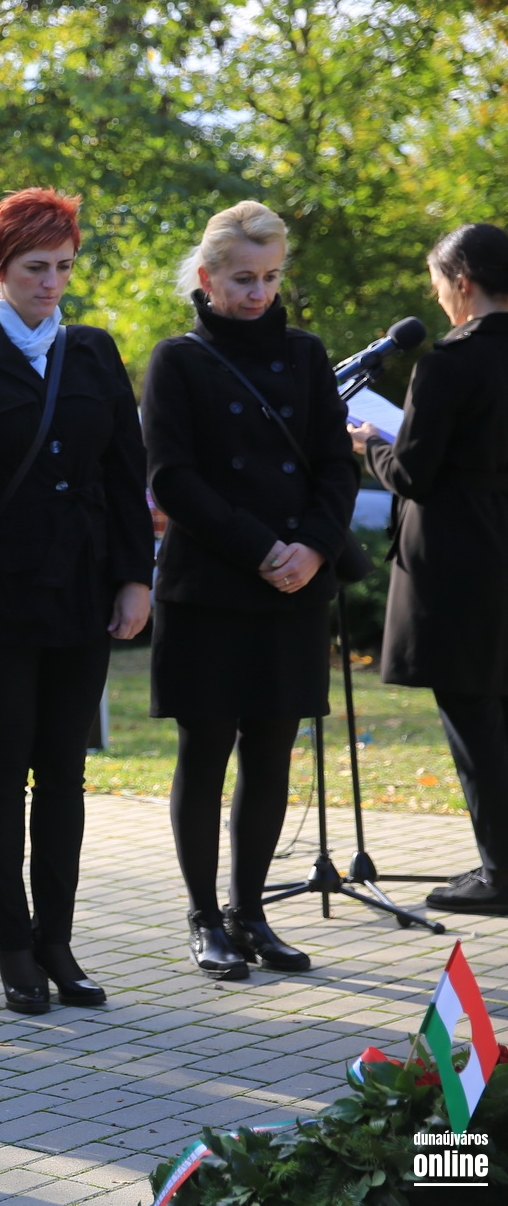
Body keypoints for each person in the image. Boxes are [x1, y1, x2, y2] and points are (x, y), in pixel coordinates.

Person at [0, 190, 152, 1013]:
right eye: (35, 268)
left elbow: (125, 472)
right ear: (0, 267)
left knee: (64, 774)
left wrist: (135, 577)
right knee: (3, 769)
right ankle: (13, 946)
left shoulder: (93, 351)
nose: (51, 283)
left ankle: (58, 940)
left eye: (63, 267)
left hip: (83, 588)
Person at [142, 201, 358, 979]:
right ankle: (205, 918)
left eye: (269, 277)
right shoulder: (178, 360)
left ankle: (251, 913)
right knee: (205, 751)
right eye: (242, 279)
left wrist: (315, 547)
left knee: (271, 751)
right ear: (207, 278)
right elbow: (172, 478)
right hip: (210, 586)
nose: (258, 293)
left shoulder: (306, 354)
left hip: (293, 585)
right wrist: (263, 548)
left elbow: (336, 463)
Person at [352, 223, 508, 914]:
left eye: (440, 283)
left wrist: (368, 445)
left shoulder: (449, 362)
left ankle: (500, 873)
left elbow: (413, 472)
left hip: (459, 558)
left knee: (473, 716)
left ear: (462, 282)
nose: (439, 296)